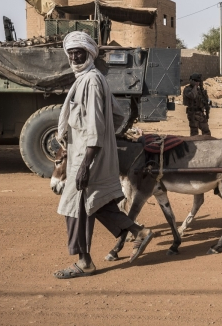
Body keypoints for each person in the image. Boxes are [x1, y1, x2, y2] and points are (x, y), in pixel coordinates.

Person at [53, 31, 151, 279]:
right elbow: (116, 116)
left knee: (76, 208)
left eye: (79, 52)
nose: (75, 56)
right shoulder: (89, 78)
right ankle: (139, 232)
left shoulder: (91, 81)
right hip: (89, 152)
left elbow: (95, 125)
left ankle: (84, 262)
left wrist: (87, 162)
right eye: (71, 52)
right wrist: (106, 140)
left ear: (90, 54)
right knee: (96, 203)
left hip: (86, 157)